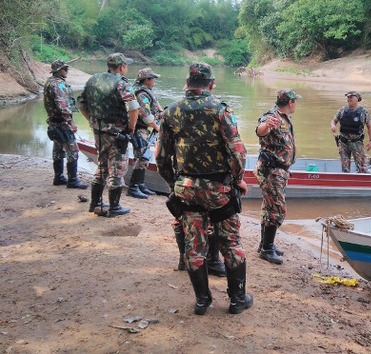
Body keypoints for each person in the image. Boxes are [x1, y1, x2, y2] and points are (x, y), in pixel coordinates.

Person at [156, 63, 252, 315]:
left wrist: (173, 185)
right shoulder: (220, 111)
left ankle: (202, 300)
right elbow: (238, 152)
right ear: (211, 84)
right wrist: (237, 179)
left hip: (186, 189)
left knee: (194, 244)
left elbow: (161, 158)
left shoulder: (170, 112)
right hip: (219, 189)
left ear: (187, 83)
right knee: (230, 243)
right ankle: (237, 300)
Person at [77, 53, 140, 217]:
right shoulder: (121, 83)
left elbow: (81, 103)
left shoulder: (93, 80)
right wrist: (131, 128)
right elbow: (134, 107)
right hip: (116, 133)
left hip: (98, 132)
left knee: (102, 164)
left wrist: (92, 121)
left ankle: (95, 203)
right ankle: (114, 208)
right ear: (122, 67)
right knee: (117, 168)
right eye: (126, 66)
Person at [255, 88, 300, 265]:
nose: (296, 104)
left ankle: (265, 245)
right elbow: (260, 130)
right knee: (277, 210)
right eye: (295, 101)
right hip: (270, 170)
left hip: (279, 170)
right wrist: (266, 127)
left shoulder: (285, 118)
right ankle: (266, 249)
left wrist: (287, 165)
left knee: (269, 208)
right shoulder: (271, 116)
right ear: (290, 102)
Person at [43, 60, 87, 189]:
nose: (67, 71)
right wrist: (71, 122)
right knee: (73, 151)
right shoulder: (58, 85)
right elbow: (63, 106)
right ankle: (72, 180)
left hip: (53, 122)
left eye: (67, 68)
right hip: (62, 123)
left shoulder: (50, 82)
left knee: (57, 149)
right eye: (65, 69)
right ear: (58, 70)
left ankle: (59, 177)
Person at [128, 68, 162, 199]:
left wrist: (159, 110)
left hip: (144, 128)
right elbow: (145, 115)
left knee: (144, 157)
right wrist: (157, 128)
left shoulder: (145, 91)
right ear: (146, 80)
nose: (154, 81)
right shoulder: (141, 93)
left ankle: (140, 184)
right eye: (153, 79)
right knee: (141, 156)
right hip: (139, 128)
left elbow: (154, 103)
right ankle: (133, 187)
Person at [330, 91, 371, 173]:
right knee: (345, 168)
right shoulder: (342, 110)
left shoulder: (364, 112)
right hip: (343, 143)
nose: (349, 99)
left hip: (357, 143)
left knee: (362, 168)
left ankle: (362, 182)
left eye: (351, 97)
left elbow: (370, 127)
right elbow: (334, 121)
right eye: (348, 97)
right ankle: (346, 183)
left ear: (357, 99)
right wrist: (333, 125)